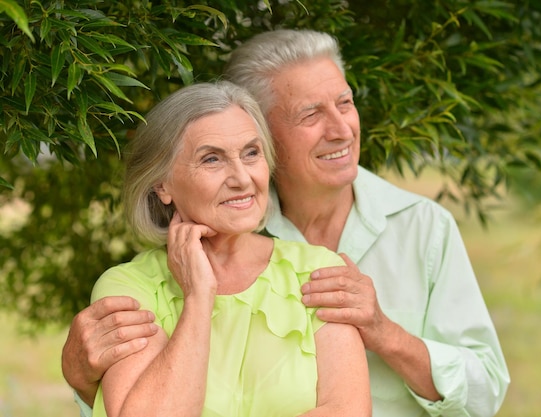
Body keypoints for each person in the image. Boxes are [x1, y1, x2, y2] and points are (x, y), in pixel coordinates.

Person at [62, 29, 510, 416]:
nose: (341, 130)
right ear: (265, 130)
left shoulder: (421, 228)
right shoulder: (200, 241)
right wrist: (87, 384)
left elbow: (485, 392)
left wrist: (383, 331)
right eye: (311, 114)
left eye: (345, 103)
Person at [81, 80, 371, 417]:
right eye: (212, 159)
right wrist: (198, 298)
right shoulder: (128, 289)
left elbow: (348, 411)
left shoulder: (318, 270)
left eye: (251, 153)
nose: (242, 178)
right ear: (162, 185)